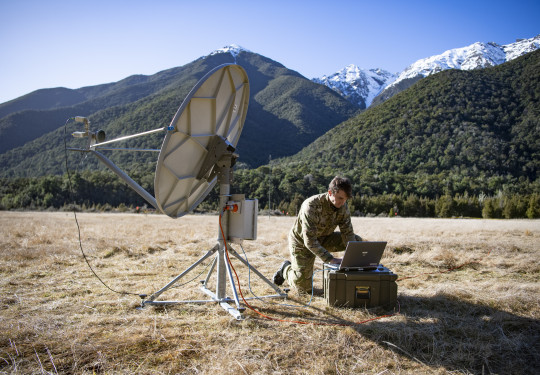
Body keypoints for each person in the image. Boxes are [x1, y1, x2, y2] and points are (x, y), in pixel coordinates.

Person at [273, 176, 362, 292]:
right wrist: (331, 259)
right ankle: (286, 269)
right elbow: (309, 241)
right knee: (303, 288)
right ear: (330, 192)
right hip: (302, 243)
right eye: (340, 198)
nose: (343, 202)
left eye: (345, 199)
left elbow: (348, 233)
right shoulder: (311, 206)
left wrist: (352, 257)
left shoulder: (343, 206)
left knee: (356, 241)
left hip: (325, 238)